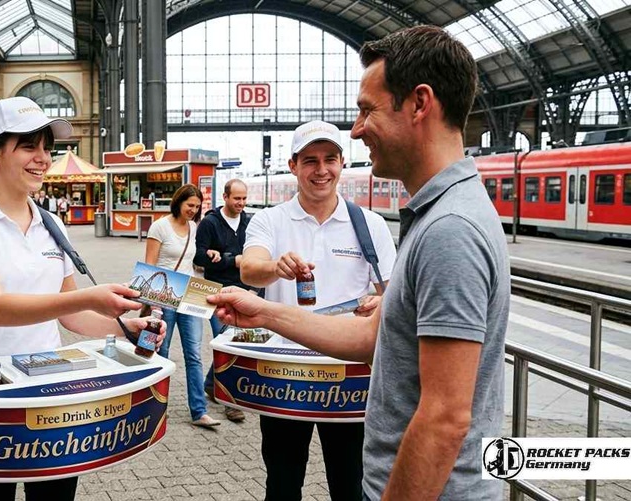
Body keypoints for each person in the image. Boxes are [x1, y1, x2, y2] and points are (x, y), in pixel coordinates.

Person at [210, 25, 508, 500]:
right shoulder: (435, 215)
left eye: (367, 109)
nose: (357, 128)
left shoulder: (450, 229)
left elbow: (445, 418)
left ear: (419, 103)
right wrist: (263, 311)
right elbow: (372, 335)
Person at [0, 96, 166, 501]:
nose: (43, 158)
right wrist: (92, 297)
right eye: (29, 146)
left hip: (51, 394)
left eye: (47, 147)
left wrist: (124, 327)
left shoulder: (51, 223)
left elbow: (73, 317)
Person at [237, 120, 397, 501]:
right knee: (282, 480)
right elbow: (248, 267)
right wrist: (276, 266)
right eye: (310, 160)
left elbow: (392, 292)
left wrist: (381, 303)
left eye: (330, 159)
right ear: (293, 166)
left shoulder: (369, 225)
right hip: (283, 374)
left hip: (349, 377)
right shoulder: (269, 220)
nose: (321, 170)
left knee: (349, 482)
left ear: (342, 163)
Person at [143, 184, 218, 428]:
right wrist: (153, 306)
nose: (193, 210)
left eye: (197, 207)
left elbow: (194, 260)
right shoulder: (160, 227)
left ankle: (199, 411)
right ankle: (155, 408)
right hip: (164, 295)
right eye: (190, 206)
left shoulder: (194, 227)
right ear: (178, 202)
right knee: (160, 352)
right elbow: (150, 266)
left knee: (194, 354)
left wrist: (210, 254)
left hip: (190, 294)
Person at [194, 178, 254, 423]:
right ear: (226, 197)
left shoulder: (249, 222)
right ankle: (230, 401)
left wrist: (230, 259)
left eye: (244, 199)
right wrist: (226, 259)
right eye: (236, 198)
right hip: (216, 290)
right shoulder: (209, 223)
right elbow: (199, 256)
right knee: (228, 343)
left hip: (241, 289)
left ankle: (211, 383)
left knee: (233, 343)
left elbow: (250, 255)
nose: (241, 203)